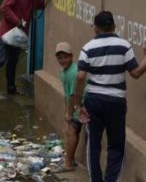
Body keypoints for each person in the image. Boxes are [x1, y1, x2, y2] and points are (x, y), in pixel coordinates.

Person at [74, 11, 146, 182]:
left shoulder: (88, 48)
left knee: (93, 145)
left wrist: (78, 105)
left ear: (96, 29)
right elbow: (136, 73)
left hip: (94, 102)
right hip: (116, 102)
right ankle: (110, 180)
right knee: (116, 145)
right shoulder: (124, 46)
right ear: (114, 26)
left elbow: (80, 77)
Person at [54, 42, 83, 172]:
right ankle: (70, 159)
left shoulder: (73, 72)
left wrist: (70, 113)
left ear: (71, 56)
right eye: (60, 58)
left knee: (71, 132)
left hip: (80, 105)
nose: (63, 60)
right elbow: (67, 94)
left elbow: (72, 95)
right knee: (73, 132)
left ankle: (68, 163)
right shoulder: (64, 71)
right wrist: (67, 111)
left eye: (65, 57)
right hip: (75, 105)